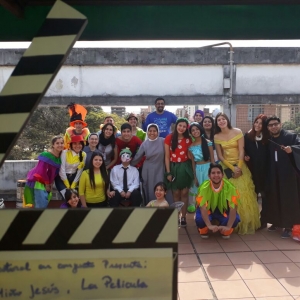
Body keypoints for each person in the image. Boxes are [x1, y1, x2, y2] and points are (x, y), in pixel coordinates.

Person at [214, 112, 260, 235]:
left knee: (243, 195)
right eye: (219, 120)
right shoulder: (217, 136)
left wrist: (238, 168)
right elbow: (220, 155)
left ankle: (244, 222)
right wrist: (231, 168)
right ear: (217, 123)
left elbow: (241, 151)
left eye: (223, 119)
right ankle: (228, 222)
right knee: (227, 196)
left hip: (240, 166)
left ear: (227, 120)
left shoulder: (237, 131)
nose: (221, 121)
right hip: (226, 167)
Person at [265, 115, 300, 238]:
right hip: (274, 174)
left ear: (280, 124)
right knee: (275, 197)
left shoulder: (290, 137)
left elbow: (299, 147)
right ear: (268, 128)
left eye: (276, 124)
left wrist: (292, 150)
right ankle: (276, 222)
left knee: (288, 200)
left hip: (288, 174)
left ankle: (289, 226)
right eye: (271, 125)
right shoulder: (269, 140)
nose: (273, 127)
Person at [195, 163, 240, 239]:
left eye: (218, 173)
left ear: (222, 175)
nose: (216, 175)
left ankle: (225, 229)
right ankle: (204, 229)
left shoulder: (230, 188)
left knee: (235, 219)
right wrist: (209, 225)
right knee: (200, 219)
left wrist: (229, 226)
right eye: (213, 173)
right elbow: (203, 208)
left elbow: (233, 208)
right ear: (209, 176)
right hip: (208, 211)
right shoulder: (204, 188)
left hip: (223, 211)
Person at [165, 118, 194, 227]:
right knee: (176, 193)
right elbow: (167, 157)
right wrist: (168, 172)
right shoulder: (169, 138)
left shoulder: (189, 139)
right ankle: (176, 216)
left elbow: (191, 155)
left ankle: (183, 217)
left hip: (185, 167)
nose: (181, 128)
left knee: (185, 193)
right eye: (180, 125)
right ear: (176, 125)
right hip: (173, 167)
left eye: (184, 126)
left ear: (186, 128)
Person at [24, 136, 64, 208]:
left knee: (44, 203)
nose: (60, 145)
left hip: (48, 182)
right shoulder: (46, 155)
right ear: (53, 145)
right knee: (40, 205)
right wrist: (47, 184)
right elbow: (41, 171)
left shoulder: (60, 156)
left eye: (61, 143)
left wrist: (51, 183)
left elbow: (54, 172)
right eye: (57, 143)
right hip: (38, 181)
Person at [244, 114, 269, 229]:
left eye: (260, 123)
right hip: (252, 171)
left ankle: (264, 219)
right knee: (253, 195)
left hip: (265, 172)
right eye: (256, 122)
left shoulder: (268, 138)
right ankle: (253, 219)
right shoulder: (247, 136)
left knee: (265, 196)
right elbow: (243, 150)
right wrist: (245, 156)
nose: (257, 125)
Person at [131, 124, 165, 204]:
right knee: (150, 189)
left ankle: (162, 207)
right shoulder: (145, 144)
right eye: (150, 131)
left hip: (160, 168)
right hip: (148, 170)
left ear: (158, 132)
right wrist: (128, 165)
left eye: (154, 131)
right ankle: (150, 207)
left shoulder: (163, 141)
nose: (152, 133)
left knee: (160, 187)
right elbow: (137, 157)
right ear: (147, 132)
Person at [188, 122, 215, 200]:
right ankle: (201, 211)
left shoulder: (208, 143)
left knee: (210, 192)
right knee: (200, 194)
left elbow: (212, 159)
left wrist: (213, 172)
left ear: (200, 130)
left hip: (208, 169)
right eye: (193, 130)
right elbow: (193, 163)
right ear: (191, 133)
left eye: (197, 129)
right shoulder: (191, 147)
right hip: (198, 170)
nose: (195, 131)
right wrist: (194, 177)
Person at [55, 135, 86, 200]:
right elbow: (61, 169)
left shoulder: (83, 154)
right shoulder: (65, 152)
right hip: (61, 179)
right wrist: (67, 185)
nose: (77, 146)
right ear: (71, 145)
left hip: (74, 178)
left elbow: (79, 171)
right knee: (66, 197)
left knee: (75, 198)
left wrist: (73, 185)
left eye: (79, 143)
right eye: (75, 143)